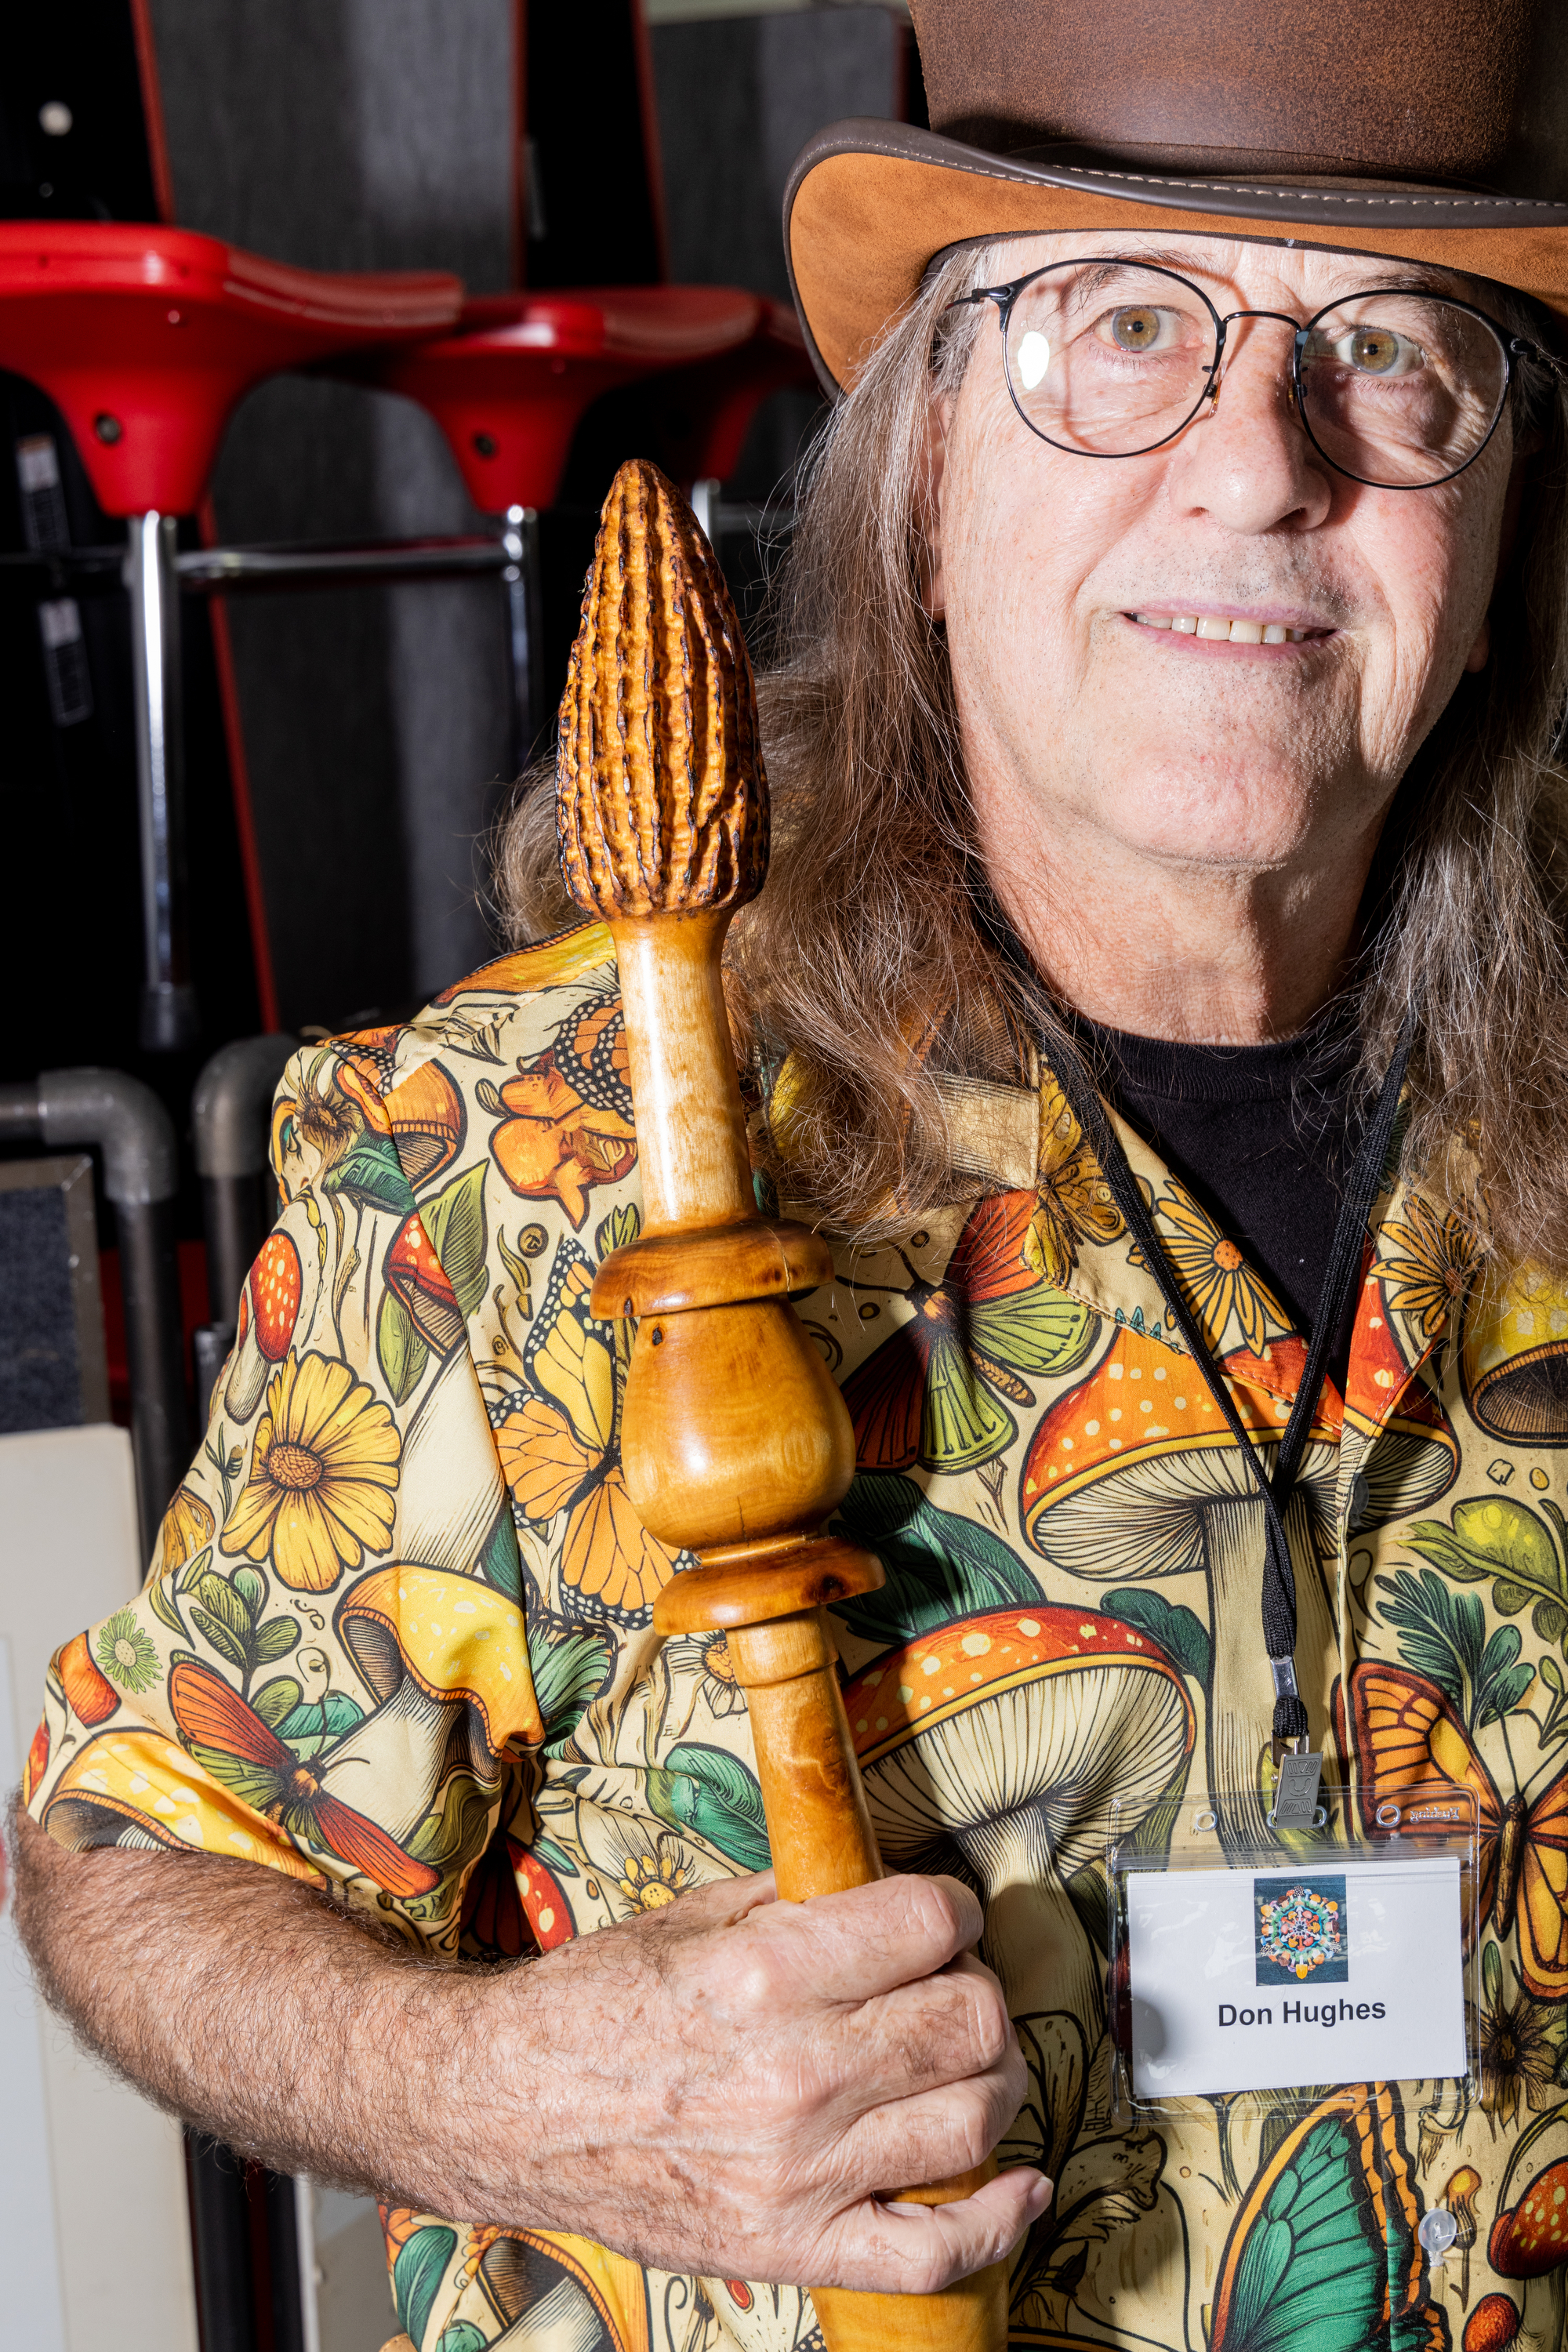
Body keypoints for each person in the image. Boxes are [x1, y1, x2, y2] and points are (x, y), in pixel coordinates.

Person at [15, 1, 1568, 2344]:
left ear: (1499, 528)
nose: (1261, 466)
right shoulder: (524, 1156)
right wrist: (510, 2094)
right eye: (1125, 327)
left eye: (1394, 356)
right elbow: (132, 1854)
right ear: (927, 476)